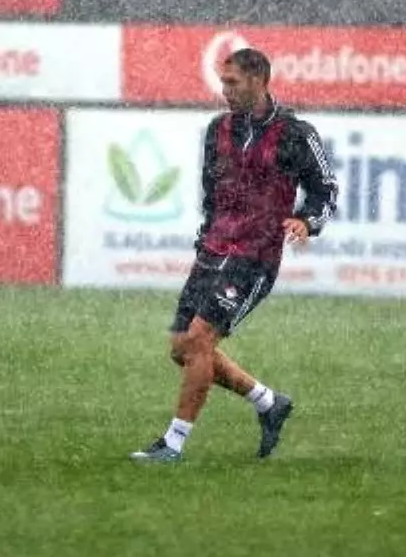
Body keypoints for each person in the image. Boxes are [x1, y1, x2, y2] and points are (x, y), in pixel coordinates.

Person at [130, 48, 338, 462]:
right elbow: (212, 192)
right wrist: (206, 237)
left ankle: (172, 444)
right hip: (213, 249)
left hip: (254, 257)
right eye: (222, 82)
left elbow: (326, 191)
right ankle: (268, 402)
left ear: (259, 80)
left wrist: (306, 221)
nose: (224, 91)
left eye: (232, 82)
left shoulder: (297, 133)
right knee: (180, 348)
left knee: (200, 339)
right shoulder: (217, 130)